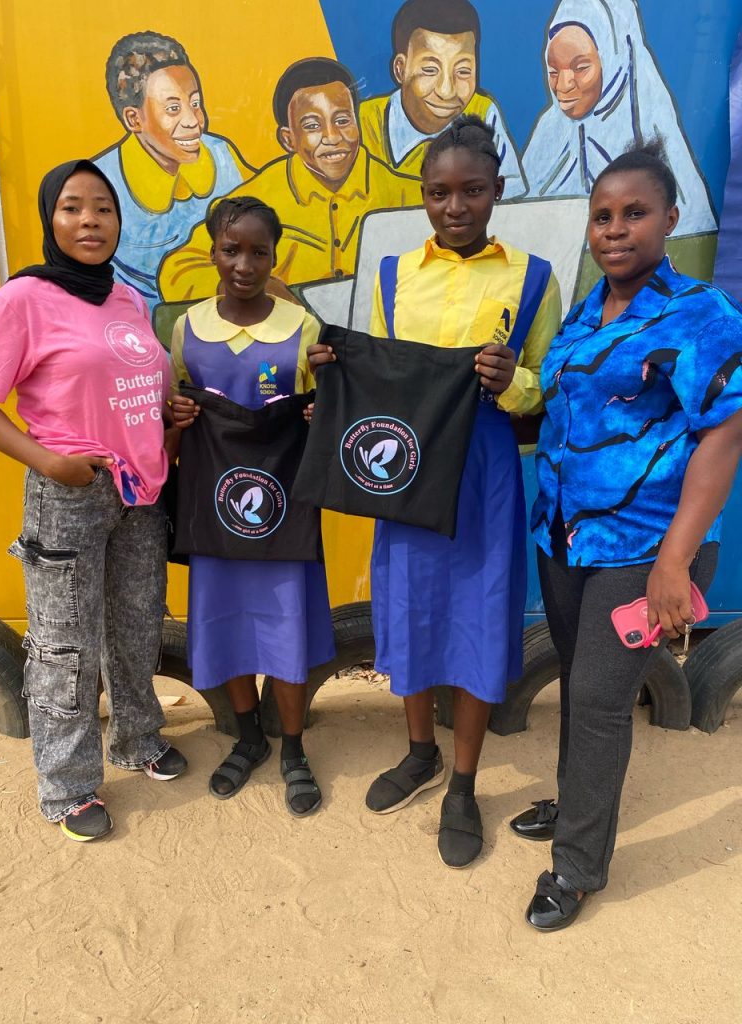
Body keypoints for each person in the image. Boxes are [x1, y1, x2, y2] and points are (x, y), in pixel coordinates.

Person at [309, 115, 561, 868]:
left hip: (483, 470)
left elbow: (550, 384)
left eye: (472, 191)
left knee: (481, 616)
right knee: (410, 608)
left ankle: (463, 782)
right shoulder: (392, 275)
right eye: (439, 193)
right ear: (422, 195)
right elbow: (385, 382)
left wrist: (510, 381)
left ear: (497, 191)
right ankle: (418, 751)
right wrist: (335, 368)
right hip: (410, 468)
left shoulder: (534, 277)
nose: (456, 207)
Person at [514, 141, 742, 931]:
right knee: (581, 684)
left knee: (601, 698)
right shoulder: (585, 311)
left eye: (634, 213)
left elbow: (725, 433)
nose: (615, 230)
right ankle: (581, 802)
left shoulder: (699, 315)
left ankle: (577, 867)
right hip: (565, 542)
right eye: (602, 216)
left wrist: (676, 561)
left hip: (643, 551)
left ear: (671, 219)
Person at [0, 160, 187, 842]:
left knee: (134, 626)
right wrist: (49, 462)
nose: (90, 221)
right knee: (66, 643)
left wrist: (170, 421)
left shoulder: (125, 297)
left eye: (103, 208)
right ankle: (67, 785)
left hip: (140, 491)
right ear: (50, 219)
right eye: (72, 207)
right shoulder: (23, 298)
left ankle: (138, 739)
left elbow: (131, 388)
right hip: (70, 491)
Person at [170, 196, 335, 816]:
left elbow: (326, 411)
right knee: (227, 622)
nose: (244, 263)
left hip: (284, 508)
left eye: (258, 251)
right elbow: (173, 404)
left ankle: (291, 746)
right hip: (214, 509)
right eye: (230, 249)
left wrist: (323, 414)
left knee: (285, 624)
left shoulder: (302, 328)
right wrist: (177, 413)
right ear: (212, 250)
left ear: (274, 256)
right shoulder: (187, 328)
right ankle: (247, 739)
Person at [158, 58, 418, 298]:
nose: (333, 136)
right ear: (288, 139)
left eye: (342, 120)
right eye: (312, 126)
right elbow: (177, 271)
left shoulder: (407, 194)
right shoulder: (254, 202)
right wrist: (248, 285)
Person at [522, 0, 716, 237]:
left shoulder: (648, 126)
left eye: (581, 67)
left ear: (615, 60)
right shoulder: (548, 136)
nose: (562, 86)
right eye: (553, 71)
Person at [94, 31, 253, 312]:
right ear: (134, 118)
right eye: (173, 108)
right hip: (142, 335)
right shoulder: (101, 183)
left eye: (195, 103)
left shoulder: (220, 155)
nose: (193, 121)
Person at [359, 0, 526, 196]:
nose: (447, 91)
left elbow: (510, 198)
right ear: (400, 69)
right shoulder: (362, 123)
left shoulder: (482, 113)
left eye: (463, 71)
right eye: (430, 70)